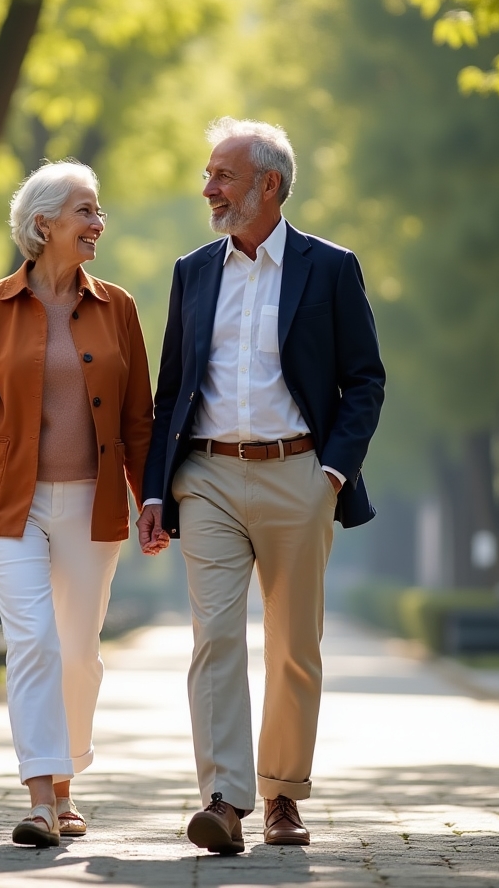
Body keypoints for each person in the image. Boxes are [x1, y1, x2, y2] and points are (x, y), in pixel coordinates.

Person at [137, 118, 385, 854]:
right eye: (209, 174)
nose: (208, 187)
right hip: (206, 476)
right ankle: (224, 799)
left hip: (298, 473)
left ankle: (283, 796)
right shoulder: (193, 270)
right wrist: (156, 492)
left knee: (291, 646)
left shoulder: (329, 268)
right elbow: (171, 387)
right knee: (214, 639)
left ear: (268, 185)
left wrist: (331, 472)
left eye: (223, 175)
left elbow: (364, 379)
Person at [0, 160, 154, 848]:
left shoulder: (120, 308)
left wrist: (152, 500)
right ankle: (41, 798)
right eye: (86, 211)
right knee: (34, 641)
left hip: (93, 505)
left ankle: (69, 783)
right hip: (11, 505)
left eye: (99, 211)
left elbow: (139, 419)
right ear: (42, 225)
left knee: (78, 652)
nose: (98, 224)